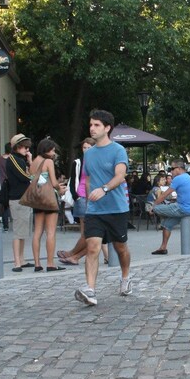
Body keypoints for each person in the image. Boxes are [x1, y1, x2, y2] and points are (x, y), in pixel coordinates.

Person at [75, 110, 133, 306]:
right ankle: (90, 290)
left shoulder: (118, 150)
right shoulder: (88, 155)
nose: (92, 128)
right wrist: (89, 197)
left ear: (107, 128)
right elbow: (89, 179)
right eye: (91, 125)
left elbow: (120, 175)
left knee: (120, 247)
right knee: (92, 248)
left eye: (97, 125)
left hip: (117, 208)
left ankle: (125, 278)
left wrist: (104, 189)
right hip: (94, 210)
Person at [58, 138, 96, 265]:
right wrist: (77, 197)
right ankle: (73, 255)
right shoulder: (79, 162)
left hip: (96, 197)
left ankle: (72, 254)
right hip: (82, 196)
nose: (86, 150)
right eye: (84, 148)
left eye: (89, 147)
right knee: (87, 232)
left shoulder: (97, 161)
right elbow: (74, 180)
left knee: (93, 233)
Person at [150, 160, 190, 255]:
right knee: (166, 225)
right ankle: (163, 248)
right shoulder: (188, 177)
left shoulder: (179, 178)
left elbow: (164, 195)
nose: (171, 171)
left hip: (182, 208)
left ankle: (161, 219)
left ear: (179, 168)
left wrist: (153, 206)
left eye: (172, 169)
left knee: (156, 209)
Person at [30, 138, 64, 272]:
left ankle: (37, 263)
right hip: (49, 199)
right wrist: (59, 189)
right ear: (47, 150)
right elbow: (54, 182)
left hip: (37, 199)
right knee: (50, 232)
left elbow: (35, 180)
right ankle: (50, 263)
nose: (54, 153)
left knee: (37, 232)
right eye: (53, 150)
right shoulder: (48, 161)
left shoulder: (33, 162)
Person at [3, 135, 34, 271]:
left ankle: (21, 259)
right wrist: (32, 169)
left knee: (23, 232)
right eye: (24, 147)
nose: (27, 150)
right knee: (18, 232)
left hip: (23, 198)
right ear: (17, 147)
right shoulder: (13, 159)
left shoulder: (19, 160)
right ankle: (17, 261)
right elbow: (25, 176)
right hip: (18, 198)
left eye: (27, 147)